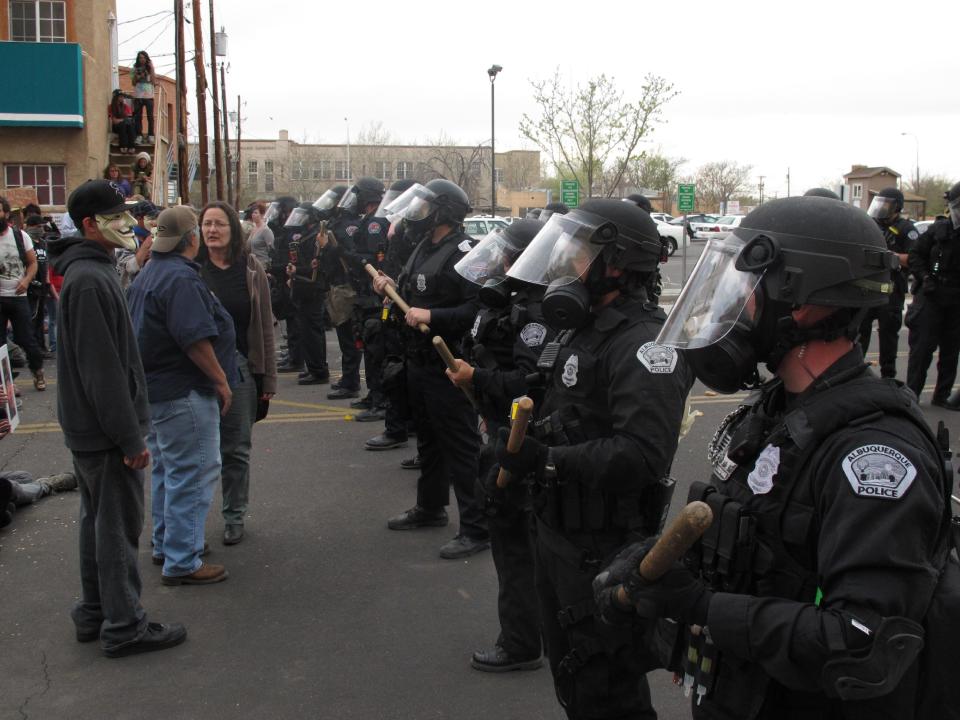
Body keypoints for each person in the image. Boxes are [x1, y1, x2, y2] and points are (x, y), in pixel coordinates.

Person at [593, 195, 957, 718]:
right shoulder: (778, 409)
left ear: (801, 303)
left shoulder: (873, 457)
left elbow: (863, 640)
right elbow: (756, 538)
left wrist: (702, 607)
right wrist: (653, 562)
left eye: (744, 289)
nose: (731, 307)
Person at [493, 199, 691, 718]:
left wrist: (548, 459)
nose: (564, 261)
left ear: (617, 263)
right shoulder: (581, 325)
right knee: (575, 682)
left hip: (602, 550)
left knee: (606, 690)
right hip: (558, 535)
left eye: (577, 250)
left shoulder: (645, 344)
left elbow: (642, 455)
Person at [49, 178, 186, 657]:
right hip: (105, 433)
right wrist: (131, 439)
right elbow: (102, 370)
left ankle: (94, 611)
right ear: (90, 225)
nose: (129, 224)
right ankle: (124, 624)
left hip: (93, 430)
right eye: (115, 216)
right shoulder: (90, 281)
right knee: (116, 530)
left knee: (97, 523)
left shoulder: (94, 271)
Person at [445, 218, 551, 672]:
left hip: (516, 440)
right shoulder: (506, 302)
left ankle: (521, 643)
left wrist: (478, 377)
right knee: (515, 543)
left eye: (507, 254)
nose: (499, 261)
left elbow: (531, 388)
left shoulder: (534, 312)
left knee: (514, 547)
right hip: (496, 431)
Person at [374, 179, 489, 559]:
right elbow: (414, 296)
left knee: (461, 447)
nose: (416, 213)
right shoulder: (423, 246)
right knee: (429, 441)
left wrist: (433, 316)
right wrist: (392, 286)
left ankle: (477, 527)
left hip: (449, 363)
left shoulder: (466, 252)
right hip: (418, 361)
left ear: (443, 212)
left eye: (425, 207)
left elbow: (477, 310)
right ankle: (431, 507)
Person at [127, 205, 237, 586]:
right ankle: (183, 559)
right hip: (182, 391)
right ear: (190, 238)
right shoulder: (180, 278)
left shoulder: (151, 272)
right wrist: (221, 381)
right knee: (193, 470)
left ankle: (168, 544)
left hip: (157, 392)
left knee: (169, 470)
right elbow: (194, 339)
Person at [197, 201, 277, 545]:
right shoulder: (190, 267)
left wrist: (267, 379)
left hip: (240, 368)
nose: (212, 230)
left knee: (236, 450)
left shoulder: (251, 268)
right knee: (197, 453)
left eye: (219, 224)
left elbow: (265, 327)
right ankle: (190, 524)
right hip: (195, 370)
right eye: (206, 224)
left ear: (233, 229)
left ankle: (234, 516)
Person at [328, 177, 387, 404]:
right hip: (364, 294)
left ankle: (378, 398)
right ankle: (373, 395)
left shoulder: (375, 223)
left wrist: (350, 255)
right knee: (369, 349)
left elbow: (372, 260)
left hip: (372, 295)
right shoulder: (369, 220)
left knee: (375, 349)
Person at [906, 180, 960, 408]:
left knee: (951, 349)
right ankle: (911, 395)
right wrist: (925, 277)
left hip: (956, 298)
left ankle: (942, 396)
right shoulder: (937, 230)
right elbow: (915, 256)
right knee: (922, 348)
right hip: (931, 294)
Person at [857, 187, 917, 379]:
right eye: (879, 204)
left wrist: (892, 257)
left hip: (891, 291)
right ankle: (856, 373)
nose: (881, 208)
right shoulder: (870, 224)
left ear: (897, 207)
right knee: (860, 333)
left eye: (886, 205)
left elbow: (915, 258)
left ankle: (888, 376)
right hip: (868, 288)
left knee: (888, 336)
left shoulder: (906, 229)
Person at [282, 202, 333, 386]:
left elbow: (315, 268)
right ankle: (313, 368)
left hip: (312, 289)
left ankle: (318, 370)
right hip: (304, 289)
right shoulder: (307, 235)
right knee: (308, 331)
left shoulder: (316, 237)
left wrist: (297, 270)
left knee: (312, 332)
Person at [0, 195, 45, 390]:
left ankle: (37, 371)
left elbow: (33, 262)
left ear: (6, 213)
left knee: (26, 338)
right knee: (0, 345)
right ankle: (7, 384)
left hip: (18, 297)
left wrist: (26, 281)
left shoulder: (20, 236)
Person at [130, 51, 155, 145]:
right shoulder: (134, 68)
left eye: (144, 57)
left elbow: (153, 81)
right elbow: (133, 83)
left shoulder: (150, 68)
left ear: (146, 58)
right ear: (138, 59)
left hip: (149, 95)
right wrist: (138, 75)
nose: (142, 59)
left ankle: (151, 135)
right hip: (138, 95)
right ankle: (139, 135)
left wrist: (151, 68)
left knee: (150, 116)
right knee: (138, 116)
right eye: (140, 58)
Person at [246, 202, 274, 268]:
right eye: (252, 213)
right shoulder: (253, 228)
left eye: (255, 213)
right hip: (253, 265)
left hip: (263, 266)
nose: (253, 215)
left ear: (262, 214)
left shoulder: (266, 230)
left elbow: (271, 250)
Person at [109, 89, 136, 154]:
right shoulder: (111, 107)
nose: (122, 98)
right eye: (120, 96)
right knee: (123, 124)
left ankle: (131, 147)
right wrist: (123, 120)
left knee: (130, 125)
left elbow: (129, 118)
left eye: (123, 96)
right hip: (116, 127)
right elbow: (114, 121)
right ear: (116, 97)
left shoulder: (125, 106)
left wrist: (124, 120)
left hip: (127, 126)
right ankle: (123, 146)